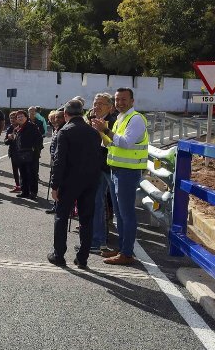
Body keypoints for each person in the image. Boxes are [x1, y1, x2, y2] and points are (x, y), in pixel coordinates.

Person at [92, 87, 149, 265]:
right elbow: (110, 145)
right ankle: (123, 249)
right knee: (119, 213)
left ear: (132, 101)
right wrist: (101, 131)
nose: (120, 103)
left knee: (127, 214)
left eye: (124, 99)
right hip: (117, 170)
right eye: (117, 100)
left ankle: (126, 253)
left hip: (128, 172)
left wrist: (106, 131)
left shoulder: (136, 119)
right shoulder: (119, 119)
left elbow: (126, 143)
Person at [49, 100, 103, 269]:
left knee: (61, 217)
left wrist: (55, 185)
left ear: (65, 114)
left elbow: (59, 161)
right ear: (81, 113)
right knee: (87, 219)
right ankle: (83, 258)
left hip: (69, 181)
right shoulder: (94, 133)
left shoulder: (64, 132)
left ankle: (59, 255)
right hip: (90, 181)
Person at [87, 92, 120, 256]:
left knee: (117, 206)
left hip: (113, 167)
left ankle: (123, 247)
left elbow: (112, 144)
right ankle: (97, 241)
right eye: (95, 102)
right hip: (97, 167)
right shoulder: (92, 120)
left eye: (100, 103)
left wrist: (102, 130)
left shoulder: (115, 121)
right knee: (96, 204)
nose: (96, 106)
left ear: (110, 107)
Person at [12, 110, 43, 198]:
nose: (20, 118)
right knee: (23, 173)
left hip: (31, 155)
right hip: (21, 154)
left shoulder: (31, 126)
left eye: (22, 116)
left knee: (32, 174)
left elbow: (39, 139)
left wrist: (34, 148)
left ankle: (33, 192)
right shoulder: (17, 128)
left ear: (26, 117)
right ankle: (24, 191)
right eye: (18, 117)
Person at [3, 110, 20, 189]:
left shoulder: (21, 127)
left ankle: (24, 186)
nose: (12, 120)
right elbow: (5, 142)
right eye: (10, 118)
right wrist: (9, 139)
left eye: (14, 118)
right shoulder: (9, 128)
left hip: (22, 152)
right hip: (13, 152)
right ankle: (17, 185)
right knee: (15, 170)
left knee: (24, 171)